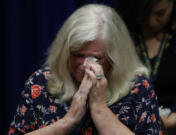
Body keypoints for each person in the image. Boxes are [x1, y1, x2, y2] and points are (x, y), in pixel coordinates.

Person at [8, 4, 163, 135]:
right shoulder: (41, 83)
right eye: (78, 55)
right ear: (66, 53)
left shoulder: (138, 88)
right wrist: (68, 122)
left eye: (96, 58)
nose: (85, 65)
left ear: (114, 58)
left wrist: (99, 109)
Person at [116, 0, 176, 127]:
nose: (151, 22)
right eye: (144, 14)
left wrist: (171, 121)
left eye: (160, 14)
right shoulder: (121, 36)